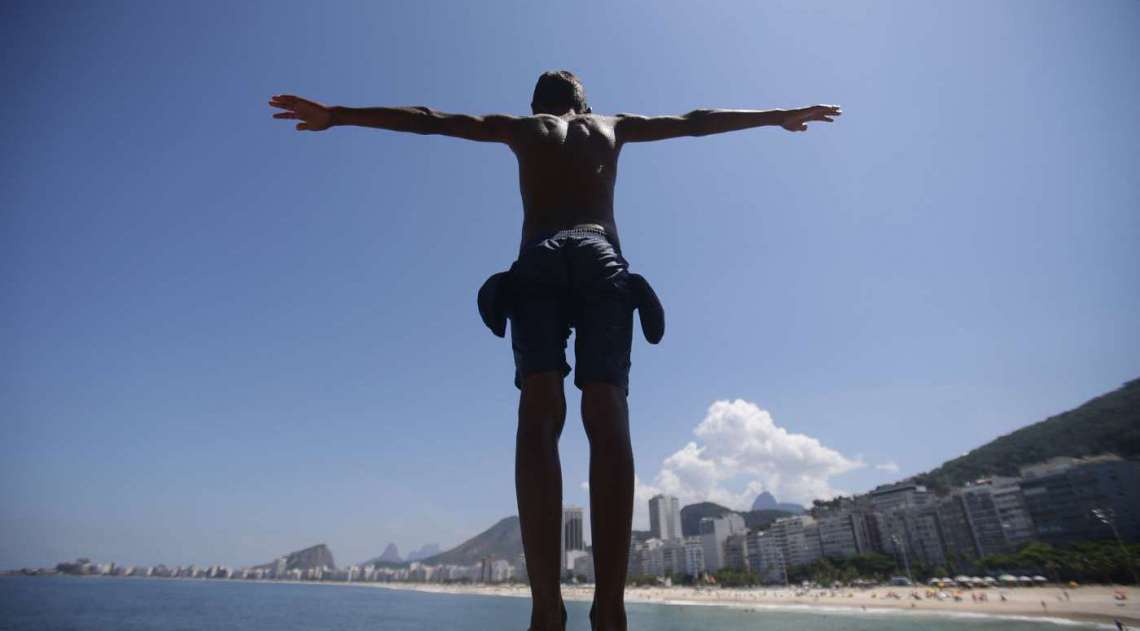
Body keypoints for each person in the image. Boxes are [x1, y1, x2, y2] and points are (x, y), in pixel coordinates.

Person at [268, 71, 841, 631]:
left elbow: (430, 121)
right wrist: (778, 116)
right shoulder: (609, 126)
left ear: (538, 104)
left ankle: (546, 609)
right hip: (600, 256)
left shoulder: (523, 128)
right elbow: (695, 122)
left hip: (538, 258)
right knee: (607, 416)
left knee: (538, 417)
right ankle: (610, 609)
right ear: (584, 104)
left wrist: (337, 115)